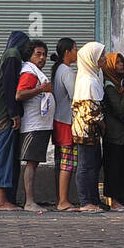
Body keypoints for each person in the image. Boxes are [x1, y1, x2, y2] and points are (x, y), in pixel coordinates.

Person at [0, 31, 31, 211]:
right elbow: (9, 87)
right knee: (6, 155)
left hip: (6, 113)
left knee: (11, 155)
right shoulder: (12, 56)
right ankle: (2, 200)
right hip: (6, 115)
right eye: (27, 46)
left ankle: (9, 198)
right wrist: (13, 113)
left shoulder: (11, 56)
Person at [17, 39, 55, 211]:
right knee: (31, 163)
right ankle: (29, 201)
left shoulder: (35, 72)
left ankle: (30, 200)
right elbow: (20, 94)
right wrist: (41, 89)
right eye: (38, 54)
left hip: (40, 125)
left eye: (44, 54)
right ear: (29, 56)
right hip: (34, 125)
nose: (42, 58)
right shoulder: (29, 73)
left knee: (34, 162)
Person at [70, 41, 107, 213]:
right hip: (85, 131)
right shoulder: (87, 81)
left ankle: (93, 199)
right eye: (101, 56)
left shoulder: (93, 77)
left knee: (93, 165)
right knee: (85, 165)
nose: (104, 58)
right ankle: (86, 201)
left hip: (92, 131)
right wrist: (102, 123)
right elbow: (90, 111)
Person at [100, 52, 124, 211]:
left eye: (122, 62)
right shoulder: (110, 85)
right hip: (114, 134)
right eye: (117, 62)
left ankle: (122, 200)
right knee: (113, 168)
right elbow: (119, 109)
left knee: (123, 167)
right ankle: (114, 202)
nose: (121, 65)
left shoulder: (120, 82)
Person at [50, 39, 78, 210]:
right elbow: (75, 96)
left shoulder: (59, 69)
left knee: (61, 162)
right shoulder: (67, 71)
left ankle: (60, 199)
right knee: (67, 162)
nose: (77, 52)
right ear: (67, 52)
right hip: (66, 121)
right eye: (75, 49)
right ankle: (63, 201)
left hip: (58, 120)